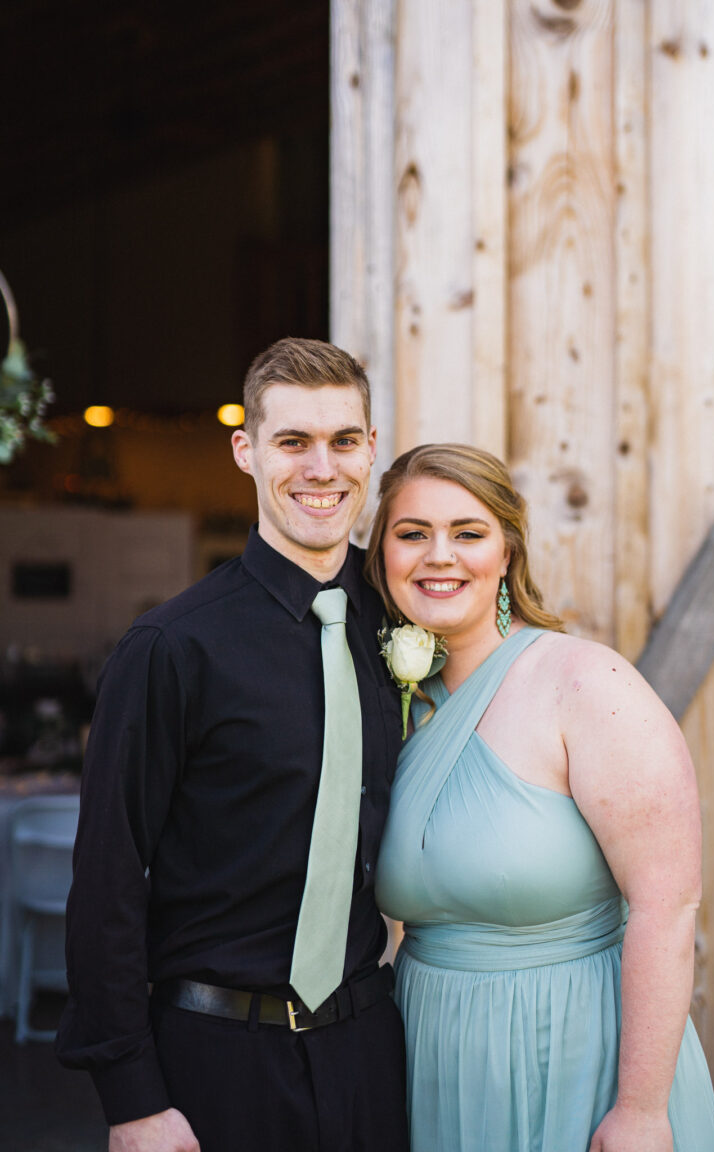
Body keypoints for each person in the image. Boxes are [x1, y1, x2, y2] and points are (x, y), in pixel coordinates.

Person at [56, 338, 410, 1152]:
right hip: (215, 1062)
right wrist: (131, 1099)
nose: (321, 468)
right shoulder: (170, 648)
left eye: (342, 441)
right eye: (293, 442)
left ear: (370, 449)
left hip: (370, 1052)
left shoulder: (401, 618)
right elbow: (108, 878)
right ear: (246, 451)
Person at [364, 442, 714, 1152]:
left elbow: (667, 904)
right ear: (382, 556)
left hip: (571, 1052)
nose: (440, 555)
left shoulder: (583, 683)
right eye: (413, 533)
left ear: (507, 553)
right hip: (431, 1056)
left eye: (468, 533)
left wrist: (641, 1109)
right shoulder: (391, 705)